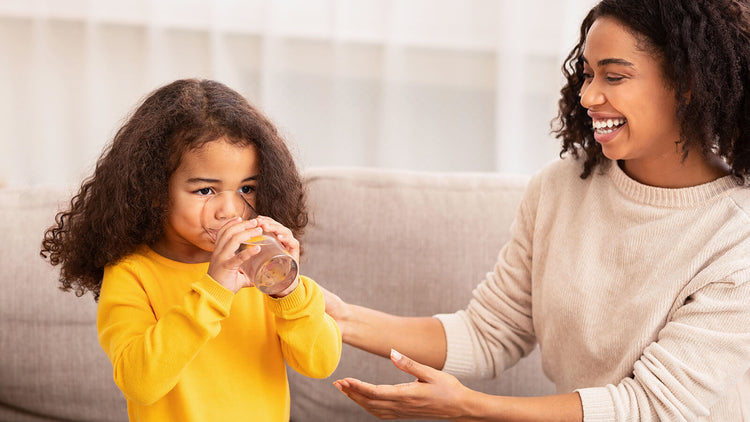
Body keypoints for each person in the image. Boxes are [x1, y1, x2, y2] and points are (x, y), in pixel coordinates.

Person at [324, 0, 750, 420]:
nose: (588, 95)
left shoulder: (737, 236)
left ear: (688, 83)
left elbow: (652, 408)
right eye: (587, 74)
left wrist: (471, 407)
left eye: (614, 76)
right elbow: (487, 333)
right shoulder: (561, 188)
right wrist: (341, 318)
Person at [40, 79, 341, 422]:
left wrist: (288, 291)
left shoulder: (261, 265)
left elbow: (320, 363)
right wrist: (213, 290)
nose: (230, 210)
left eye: (246, 188)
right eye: (205, 191)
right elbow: (140, 382)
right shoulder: (132, 272)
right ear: (152, 191)